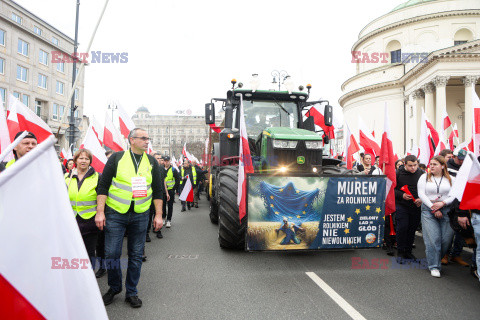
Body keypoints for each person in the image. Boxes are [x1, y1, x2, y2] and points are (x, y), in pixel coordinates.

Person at [95, 128, 165, 308]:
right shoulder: (116, 158)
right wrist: (100, 212)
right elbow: (103, 187)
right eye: (143, 138)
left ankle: (131, 291)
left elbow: (157, 190)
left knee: (135, 254)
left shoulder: (151, 162)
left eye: (148, 138)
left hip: (141, 214)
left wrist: (158, 215)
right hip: (115, 213)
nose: (147, 141)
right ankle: (114, 287)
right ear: (132, 140)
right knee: (111, 253)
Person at [417, 155, 455, 278]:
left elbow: (454, 195)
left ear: (443, 166)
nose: (431, 166)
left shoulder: (450, 179)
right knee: (433, 239)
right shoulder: (424, 177)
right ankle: (434, 266)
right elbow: (421, 194)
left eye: (435, 164)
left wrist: (443, 203)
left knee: (446, 240)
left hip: (446, 209)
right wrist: (433, 207)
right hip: (428, 210)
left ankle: (433, 256)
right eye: (431, 164)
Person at [65, 149, 100, 265]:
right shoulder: (66, 177)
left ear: (90, 161)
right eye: (81, 158)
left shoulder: (97, 177)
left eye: (86, 158)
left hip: (90, 222)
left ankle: (89, 280)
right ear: (75, 160)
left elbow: (102, 199)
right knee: (72, 253)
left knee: (89, 253)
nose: (83, 161)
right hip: (71, 222)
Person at [394, 155, 423, 261]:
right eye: (410, 166)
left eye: (415, 165)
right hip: (402, 205)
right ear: (405, 164)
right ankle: (401, 252)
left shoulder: (422, 174)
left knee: (412, 229)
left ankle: (408, 251)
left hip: (416, 206)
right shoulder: (398, 173)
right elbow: (391, 189)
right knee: (402, 227)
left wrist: (421, 198)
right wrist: (401, 195)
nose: (413, 168)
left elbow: (426, 189)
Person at [444, 148, 469, 266]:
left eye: (463, 160)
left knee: (461, 231)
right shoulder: (446, 168)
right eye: (459, 159)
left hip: (462, 204)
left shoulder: (466, 168)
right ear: (454, 157)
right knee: (448, 232)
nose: (461, 162)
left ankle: (456, 255)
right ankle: (445, 254)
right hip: (449, 203)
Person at [95, 150, 114, 279]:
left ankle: (114, 268)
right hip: (101, 212)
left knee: (113, 246)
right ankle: (102, 267)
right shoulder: (98, 176)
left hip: (116, 212)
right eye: (107, 159)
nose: (109, 161)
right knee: (100, 242)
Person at [162, 156, 180, 227]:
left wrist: (174, 189)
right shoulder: (161, 169)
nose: (166, 162)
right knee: (162, 205)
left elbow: (177, 180)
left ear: (170, 161)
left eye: (167, 161)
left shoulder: (173, 170)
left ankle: (169, 220)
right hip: (162, 191)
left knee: (170, 206)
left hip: (170, 191)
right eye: (165, 161)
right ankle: (163, 218)